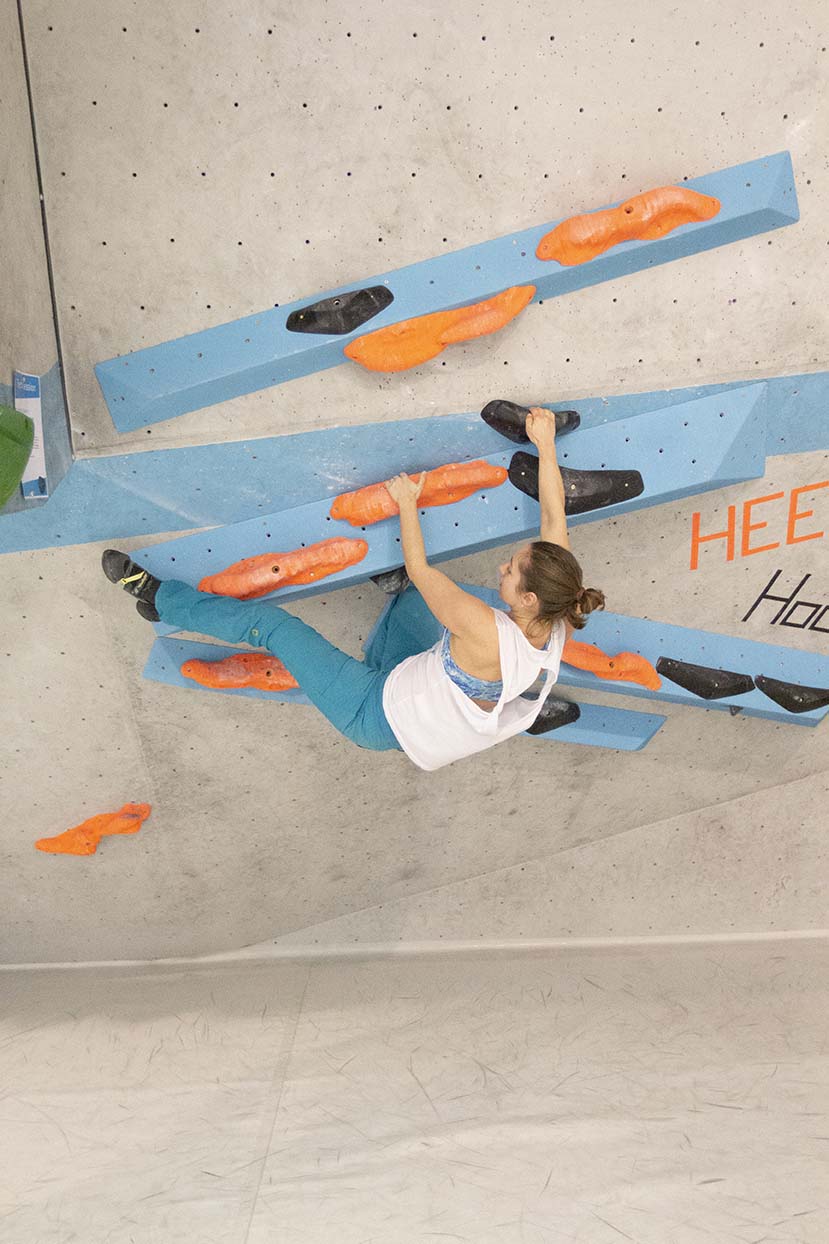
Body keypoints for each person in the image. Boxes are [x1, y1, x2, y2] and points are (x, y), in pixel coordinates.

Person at [102, 407, 605, 770]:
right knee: (411, 599)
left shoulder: (482, 626)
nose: (502, 567)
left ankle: (157, 596)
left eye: (512, 571)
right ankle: (391, 596)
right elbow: (553, 517)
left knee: (274, 626)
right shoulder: (556, 609)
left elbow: (422, 565)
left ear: (527, 599)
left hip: (371, 712)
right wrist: (543, 443)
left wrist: (407, 501)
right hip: (412, 682)